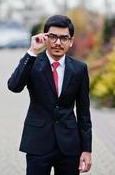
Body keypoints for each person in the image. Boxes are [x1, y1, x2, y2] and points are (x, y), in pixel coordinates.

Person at [8, 15, 92, 175]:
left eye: (63, 38)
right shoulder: (32, 63)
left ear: (71, 41)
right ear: (45, 37)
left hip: (69, 145)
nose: (58, 43)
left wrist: (87, 149)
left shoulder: (79, 69)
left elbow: (84, 113)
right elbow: (14, 86)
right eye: (52, 37)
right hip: (37, 143)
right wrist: (32, 51)